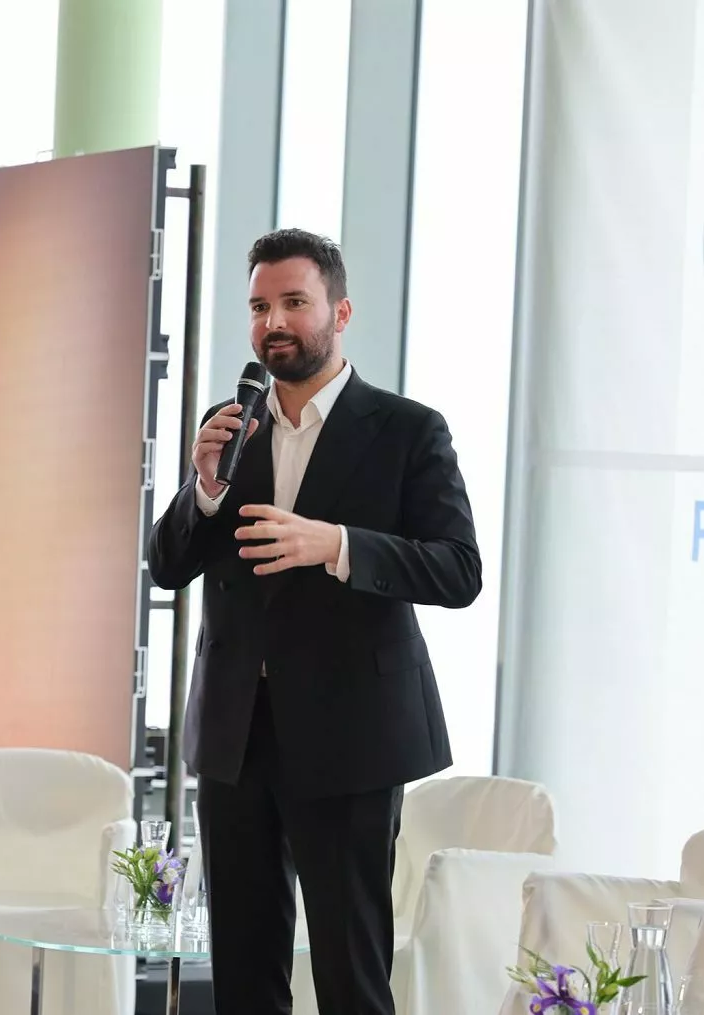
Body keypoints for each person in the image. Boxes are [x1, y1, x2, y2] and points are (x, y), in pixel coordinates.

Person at [148, 228, 481, 1015]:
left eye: (294, 302)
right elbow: (167, 565)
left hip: (350, 735)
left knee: (348, 975)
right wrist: (203, 489)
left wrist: (336, 545)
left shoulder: (407, 429)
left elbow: (458, 569)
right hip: (235, 733)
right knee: (242, 975)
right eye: (259, 306)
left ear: (340, 311)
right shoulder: (230, 426)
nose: (273, 322)